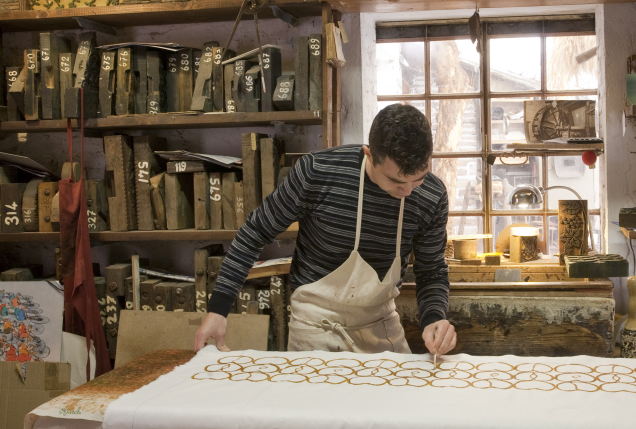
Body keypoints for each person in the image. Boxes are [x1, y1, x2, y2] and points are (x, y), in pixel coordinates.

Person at [194, 104, 457, 357]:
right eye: (396, 181)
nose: (408, 192)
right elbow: (254, 232)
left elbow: (431, 269)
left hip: (380, 325)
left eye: (418, 179)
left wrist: (434, 319)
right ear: (369, 154)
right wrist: (218, 310)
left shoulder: (432, 194)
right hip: (316, 326)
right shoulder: (318, 172)